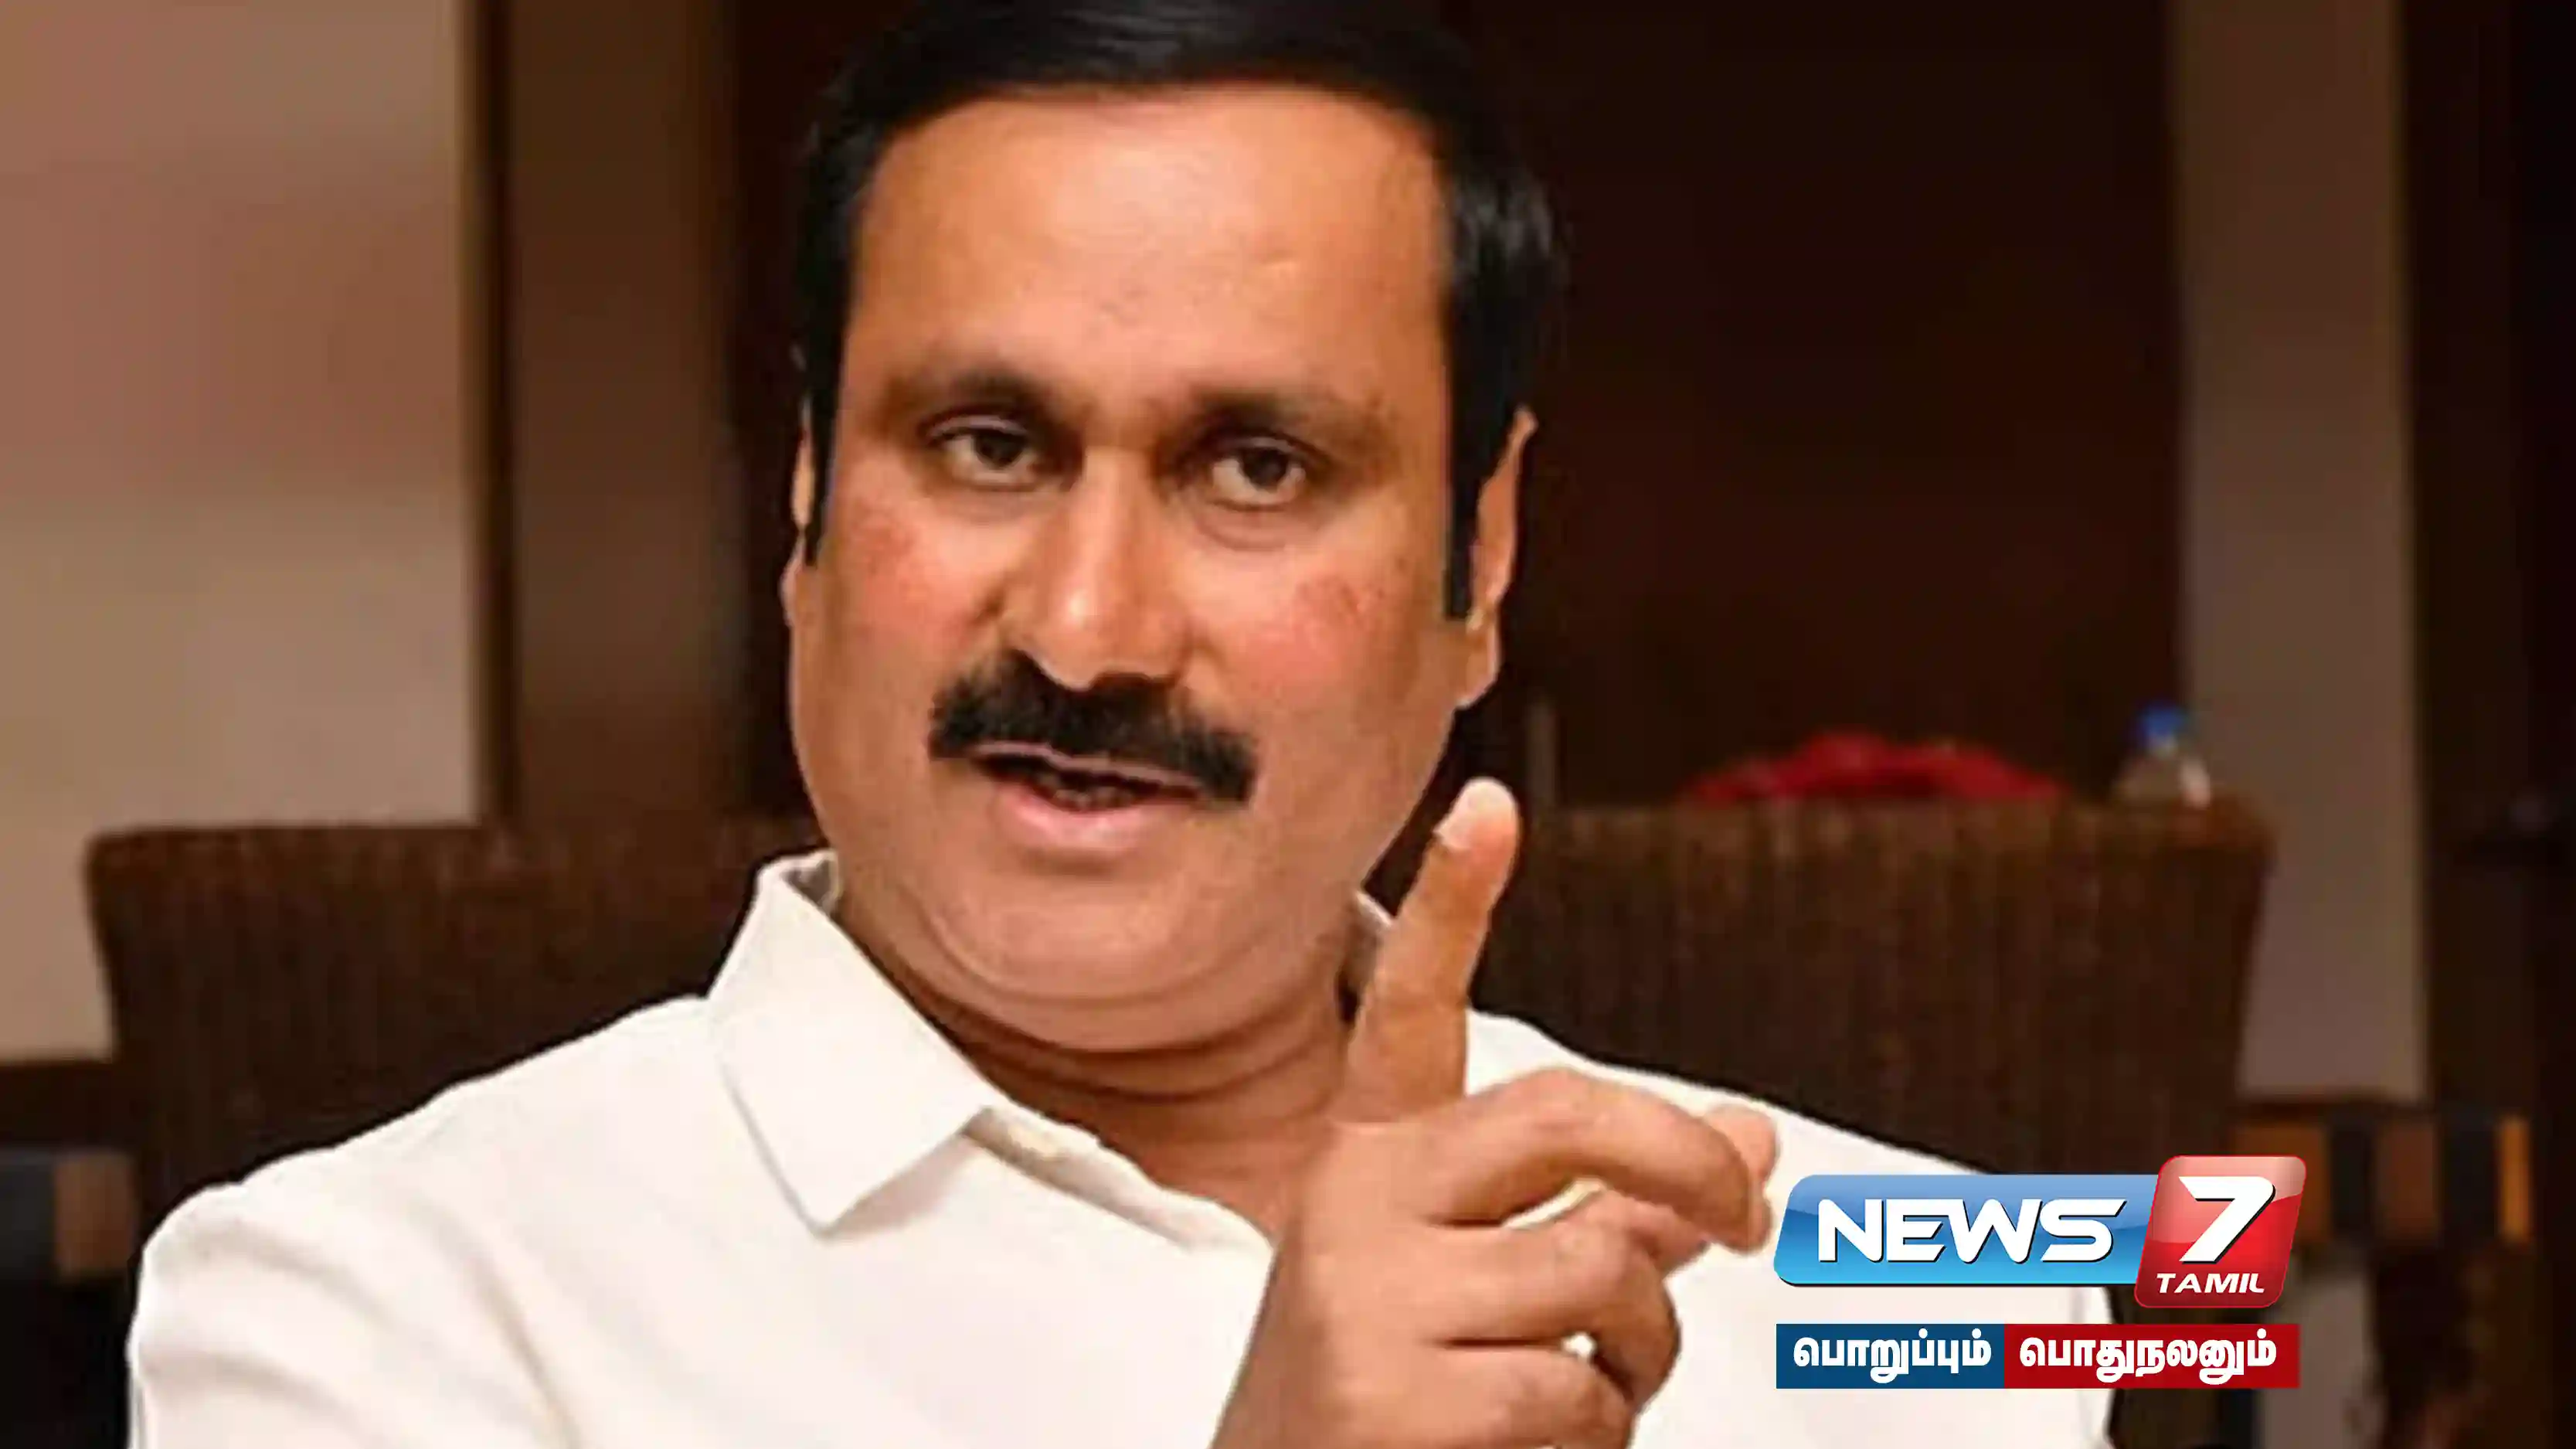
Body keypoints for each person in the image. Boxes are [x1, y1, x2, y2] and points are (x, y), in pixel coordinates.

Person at [127, 2, 2109, 1444]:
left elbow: (2167, 1287)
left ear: (1481, 553)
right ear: (806, 490)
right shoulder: (359, 1301)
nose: (1084, 635)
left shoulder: (1925, 1273)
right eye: (986, 445)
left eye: (1256, 467)